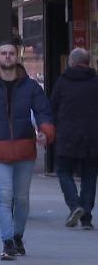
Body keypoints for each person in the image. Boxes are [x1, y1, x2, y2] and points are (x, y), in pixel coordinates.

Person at [0, 41, 55, 261]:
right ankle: (7, 242)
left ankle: (18, 236)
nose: (7, 57)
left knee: (22, 199)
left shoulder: (31, 88)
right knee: (4, 196)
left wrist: (45, 131)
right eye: (3, 53)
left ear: (17, 57)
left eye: (11, 54)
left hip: (24, 151)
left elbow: (43, 112)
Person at [50, 48, 98, 230]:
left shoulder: (63, 82)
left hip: (67, 136)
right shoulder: (95, 82)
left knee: (63, 172)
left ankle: (75, 205)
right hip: (92, 138)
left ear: (71, 61)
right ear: (88, 62)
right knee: (89, 177)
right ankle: (86, 217)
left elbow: (52, 107)